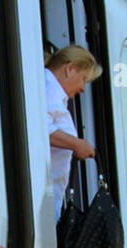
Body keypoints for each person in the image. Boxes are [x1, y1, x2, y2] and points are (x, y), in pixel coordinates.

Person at [45, 44, 101, 219]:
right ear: (70, 69)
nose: (83, 88)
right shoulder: (48, 87)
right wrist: (77, 144)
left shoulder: (54, 92)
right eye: (83, 79)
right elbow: (40, 129)